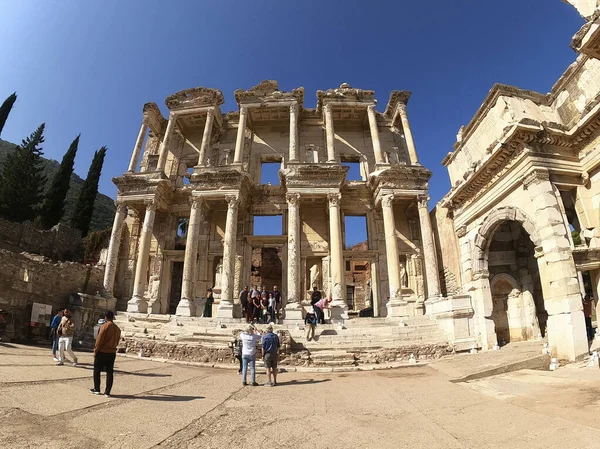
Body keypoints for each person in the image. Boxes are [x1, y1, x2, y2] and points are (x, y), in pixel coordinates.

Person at [89, 311, 121, 397]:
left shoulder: (104, 327)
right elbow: (117, 341)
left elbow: (99, 340)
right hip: (112, 352)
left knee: (97, 370)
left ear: (106, 317)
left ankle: (97, 388)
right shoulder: (117, 329)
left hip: (102, 351)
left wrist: (95, 350)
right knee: (110, 372)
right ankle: (107, 391)